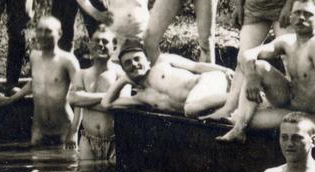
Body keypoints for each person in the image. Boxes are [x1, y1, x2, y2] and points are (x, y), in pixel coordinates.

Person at [216, 0, 315, 143]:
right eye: (297, 13)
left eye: (307, 14)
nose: (301, 18)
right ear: (290, 15)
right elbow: (247, 55)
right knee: (258, 67)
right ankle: (239, 130)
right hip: (288, 104)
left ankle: (240, 126)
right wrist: (252, 76)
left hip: (311, 115)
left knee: (243, 119)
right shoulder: (288, 41)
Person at [0, 16, 81, 147]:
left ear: (59, 33)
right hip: (39, 130)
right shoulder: (34, 57)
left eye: (48, 31)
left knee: (67, 167)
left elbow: (80, 96)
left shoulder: (68, 61)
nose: (43, 35)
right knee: (38, 166)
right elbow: (35, 82)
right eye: (39, 30)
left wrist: (74, 132)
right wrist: (10, 100)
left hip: (64, 129)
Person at [100, 44, 233, 118]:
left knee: (190, 108)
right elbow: (106, 104)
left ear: (147, 60)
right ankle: (237, 99)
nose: (134, 64)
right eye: (128, 63)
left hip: (209, 80)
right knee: (192, 109)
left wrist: (225, 70)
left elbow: (196, 66)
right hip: (207, 104)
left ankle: (237, 96)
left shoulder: (163, 61)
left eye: (137, 59)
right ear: (124, 69)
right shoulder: (140, 98)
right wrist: (123, 80)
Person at [69, 26, 122, 162]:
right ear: (90, 45)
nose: (100, 44)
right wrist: (108, 97)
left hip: (114, 140)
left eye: (105, 41)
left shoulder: (119, 73)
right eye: (96, 41)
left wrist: (85, 100)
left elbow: (122, 104)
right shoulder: (82, 74)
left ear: (115, 47)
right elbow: (73, 99)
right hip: (87, 139)